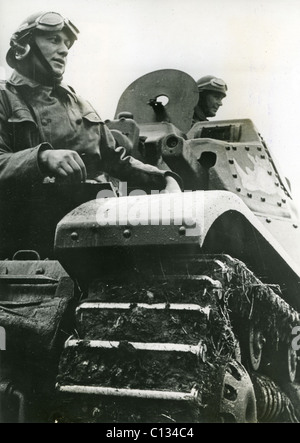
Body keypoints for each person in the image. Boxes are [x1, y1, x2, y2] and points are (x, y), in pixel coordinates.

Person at [0, 11, 182, 192]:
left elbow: (117, 160)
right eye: (54, 40)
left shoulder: (80, 105)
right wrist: (42, 158)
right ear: (24, 47)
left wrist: (164, 179)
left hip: (89, 212)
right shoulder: (5, 97)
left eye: (67, 44)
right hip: (25, 216)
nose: (64, 50)